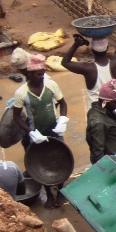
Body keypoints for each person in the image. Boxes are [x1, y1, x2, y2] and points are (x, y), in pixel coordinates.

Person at [11, 53, 68, 209]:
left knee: (60, 160)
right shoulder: (21, 93)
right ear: (29, 73)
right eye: (38, 74)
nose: (42, 77)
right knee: (41, 165)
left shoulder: (51, 86)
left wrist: (62, 119)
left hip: (54, 131)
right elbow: (16, 117)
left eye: (43, 73)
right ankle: (49, 194)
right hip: (37, 134)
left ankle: (61, 191)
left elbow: (63, 103)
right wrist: (30, 131)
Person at [61, 24, 116, 120]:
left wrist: (76, 45)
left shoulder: (88, 69)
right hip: (115, 114)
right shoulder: (115, 64)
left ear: (92, 49)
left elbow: (65, 62)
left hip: (96, 117)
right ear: (107, 48)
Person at [86, 80, 116, 164]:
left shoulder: (104, 110)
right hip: (111, 164)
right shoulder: (99, 123)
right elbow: (97, 153)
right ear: (105, 102)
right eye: (115, 102)